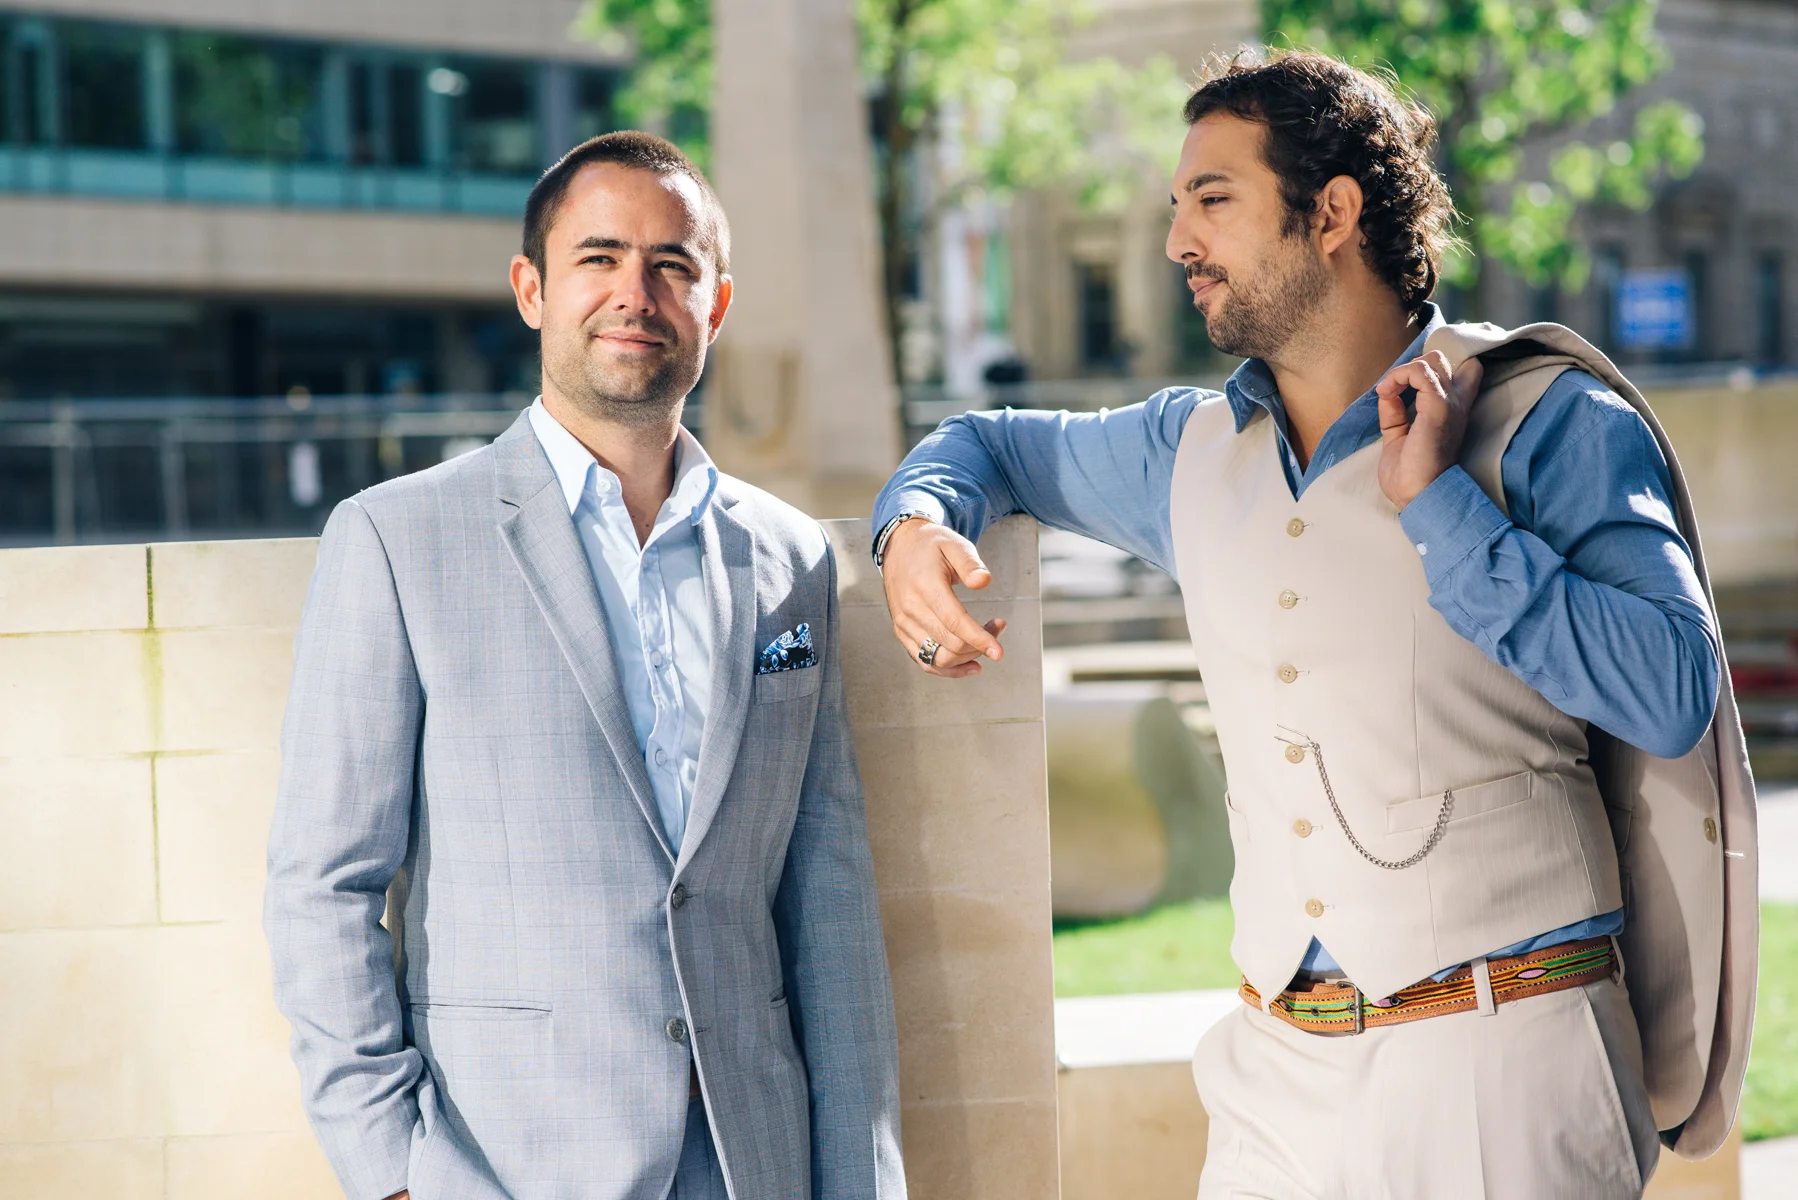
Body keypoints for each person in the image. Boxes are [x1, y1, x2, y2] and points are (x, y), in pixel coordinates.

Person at [873, 52, 1755, 1199]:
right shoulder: (1179, 451)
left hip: (1504, 1063)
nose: (1178, 241)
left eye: (1212, 199)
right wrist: (915, 526)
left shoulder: (1550, 418)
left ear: (1331, 213)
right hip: (1273, 1080)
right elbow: (984, 444)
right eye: (1176, 206)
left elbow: (1672, 692)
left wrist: (1439, 507)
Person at [266, 131, 905, 1200]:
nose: (634, 295)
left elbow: (826, 893)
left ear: (716, 304)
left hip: (755, 1161)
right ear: (532, 289)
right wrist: (392, 1171)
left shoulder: (788, 558)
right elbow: (323, 883)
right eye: (598, 258)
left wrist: (859, 1180)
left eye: (671, 265)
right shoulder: (395, 539)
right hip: (506, 1164)